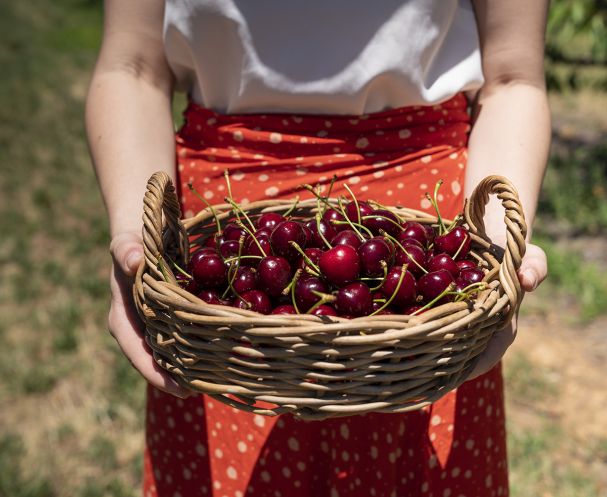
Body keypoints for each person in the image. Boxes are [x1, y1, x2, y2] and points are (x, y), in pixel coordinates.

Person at [86, 1, 550, 496]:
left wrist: (495, 245)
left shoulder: (436, 283)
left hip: (422, 289)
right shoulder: (209, 296)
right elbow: (132, 68)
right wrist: (138, 238)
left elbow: (512, 78)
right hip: (220, 292)